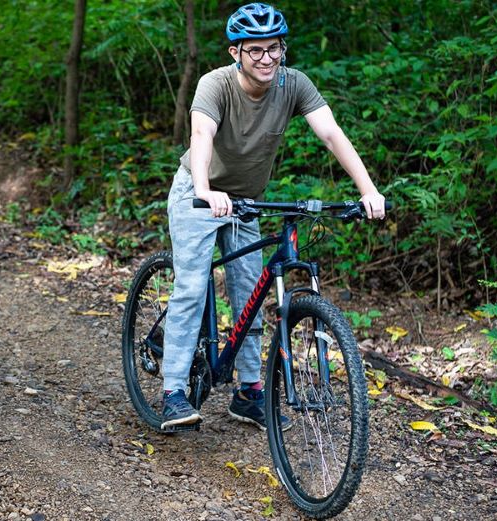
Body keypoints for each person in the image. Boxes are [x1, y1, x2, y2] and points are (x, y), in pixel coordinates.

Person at [159, 3, 386, 430]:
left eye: (274, 49)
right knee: (191, 286)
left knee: (250, 293)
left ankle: (248, 393)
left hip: (247, 199)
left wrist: (368, 189)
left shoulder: (293, 83)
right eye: (256, 50)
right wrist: (207, 190)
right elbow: (201, 133)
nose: (267, 58)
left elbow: (332, 133)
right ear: (236, 53)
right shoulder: (215, 85)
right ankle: (173, 389)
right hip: (199, 191)